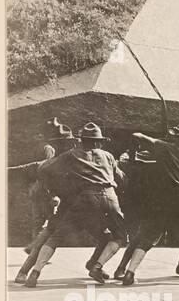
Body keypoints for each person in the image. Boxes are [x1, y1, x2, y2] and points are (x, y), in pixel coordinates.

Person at [22, 122, 126, 288]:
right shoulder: (109, 156)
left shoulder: (70, 155)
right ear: (98, 141)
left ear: (81, 140)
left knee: (56, 237)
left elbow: (45, 169)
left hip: (85, 199)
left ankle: (35, 273)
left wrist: (58, 188)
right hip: (110, 197)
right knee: (119, 236)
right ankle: (97, 266)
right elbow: (121, 178)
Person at [121, 119, 179, 285]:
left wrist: (133, 156)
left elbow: (136, 135)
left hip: (162, 200)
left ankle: (129, 273)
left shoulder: (163, 147)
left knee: (150, 236)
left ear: (176, 136)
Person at [10, 122, 75, 284]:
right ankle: (34, 249)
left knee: (41, 221)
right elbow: (45, 171)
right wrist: (53, 194)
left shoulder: (50, 150)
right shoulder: (52, 151)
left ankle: (32, 251)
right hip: (46, 190)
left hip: (39, 188)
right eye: (67, 140)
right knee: (49, 223)